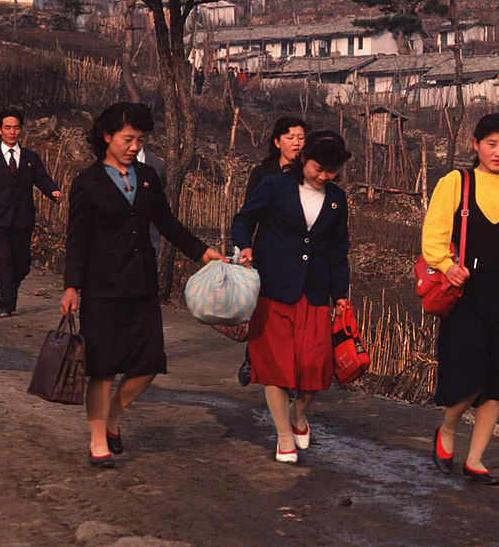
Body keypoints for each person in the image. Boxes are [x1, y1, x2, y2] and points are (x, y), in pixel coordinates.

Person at [59, 102, 223, 468]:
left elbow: (167, 223)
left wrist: (202, 252)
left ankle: (113, 417)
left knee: (149, 364)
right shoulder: (87, 183)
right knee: (102, 369)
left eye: (140, 140)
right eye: (128, 139)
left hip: (142, 285)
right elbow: (77, 240)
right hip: (101, 289)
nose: (135, 146)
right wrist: (72, 286)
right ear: (107, 137)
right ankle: (98, 440)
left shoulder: (148, 176)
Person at [420, 113, 499, 486]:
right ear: (476, 145)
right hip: (466, 293)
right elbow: (434, 234)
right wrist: (446, 265)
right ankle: (446, 431)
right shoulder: (456, 182)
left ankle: (475, 460)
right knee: (470, 375)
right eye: (491, 144)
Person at [231, 130, 351, 464]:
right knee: (275, 367)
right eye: (318, 168)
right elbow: (244, 220)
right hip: (273, 288)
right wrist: (246, 246)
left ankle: (299, 414)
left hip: (314, 292)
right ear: (303, 159)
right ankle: (284, 435)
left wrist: (340, 293)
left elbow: (339, 248)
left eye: (331, 171)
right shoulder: (274, 185)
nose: (323, 176)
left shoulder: (337, 198)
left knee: (315, 366)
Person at [236, 117, 310, 386]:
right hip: (267, 252)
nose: (296, 143)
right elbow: (248, 214)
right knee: (263, 311)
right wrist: (244, 246)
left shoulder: (310, 174)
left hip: (299, 258)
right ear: (277, 142)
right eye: (290, 137)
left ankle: (287, 376)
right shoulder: (263, 174)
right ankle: (252, 357)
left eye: (301, 138)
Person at [0, 108, 62, 317]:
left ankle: (10, 287)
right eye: (8, 128)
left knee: (22, 264)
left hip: (22, 218)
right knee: (3, 261)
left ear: (21, 130)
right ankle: (6, 304)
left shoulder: (31, 158)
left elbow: (42, 179)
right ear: (0, 130)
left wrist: (53, 191)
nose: (12, 132)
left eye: (16, 128)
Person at [136, 145, 167, 255]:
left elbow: (162, 213)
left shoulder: (159, 166)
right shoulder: (107, 164)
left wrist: (200, 251)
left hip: (149, 247)